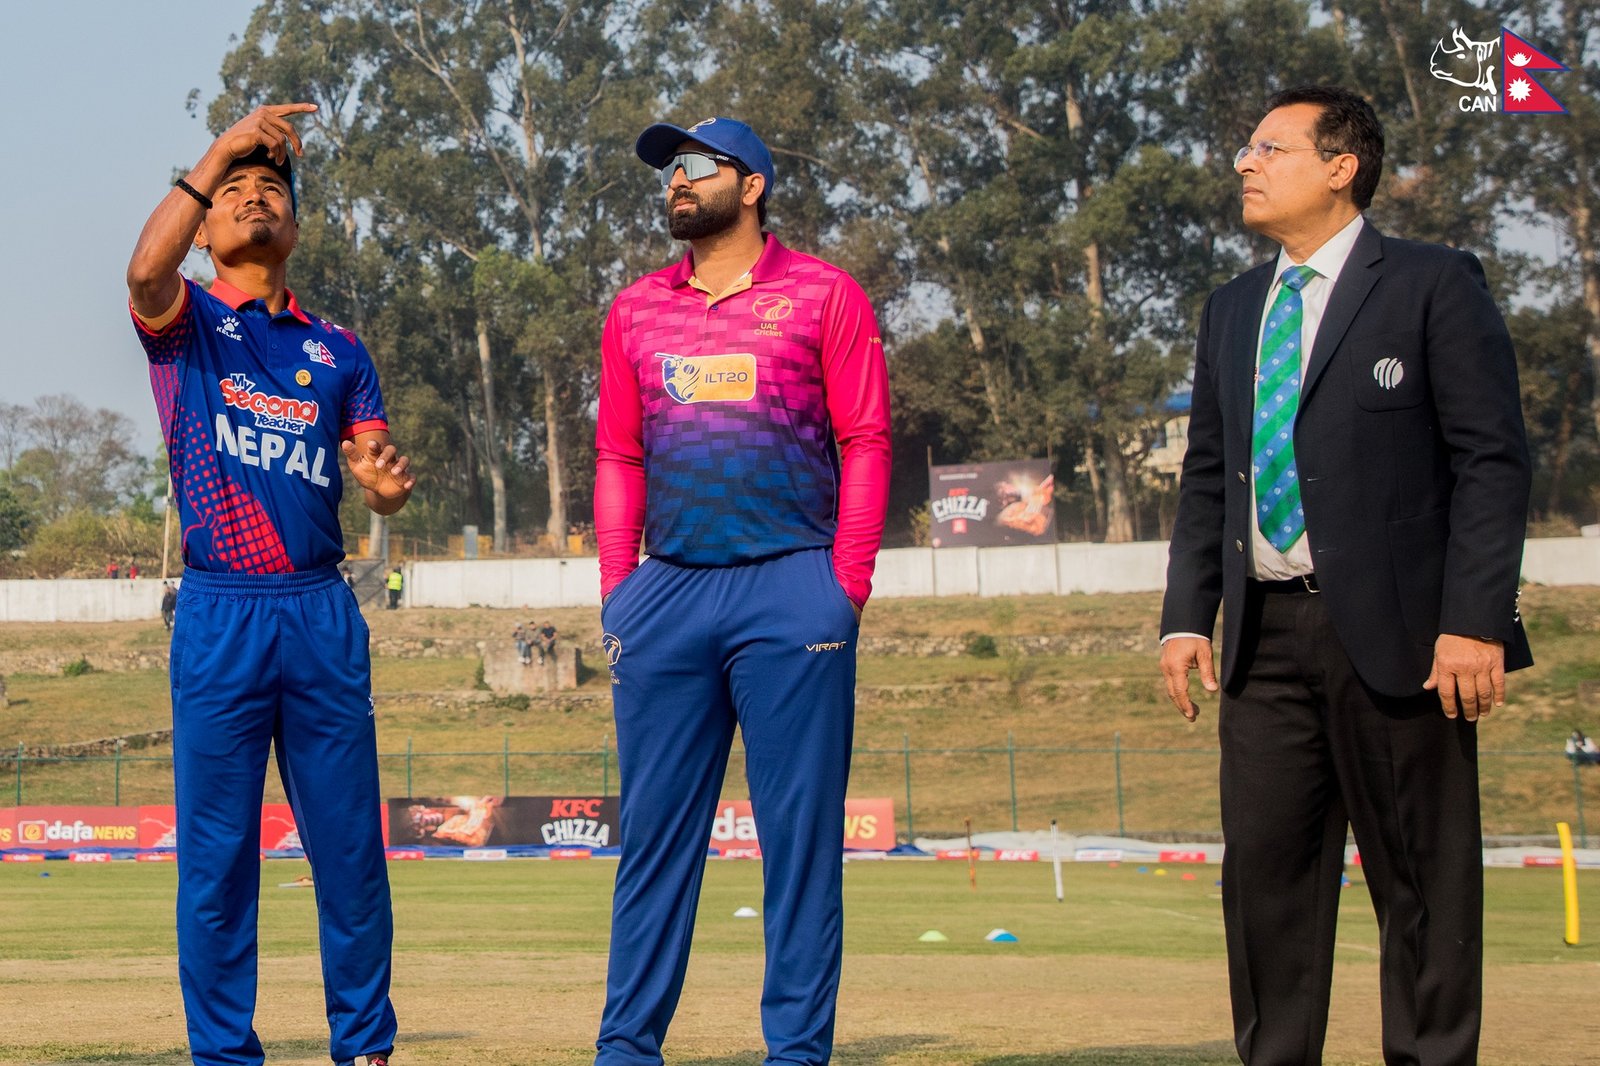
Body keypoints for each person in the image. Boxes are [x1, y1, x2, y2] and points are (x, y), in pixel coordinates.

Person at [1159, 85, 1531, 1065]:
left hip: (1407, 640)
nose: (1244, 162)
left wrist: (1475, 620)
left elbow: (1492, 461)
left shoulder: (1431, 282)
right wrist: (1186, 616)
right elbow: (1209, 475)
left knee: (1422, 889)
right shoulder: (1232, 310)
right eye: (1245, 148)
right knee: (1265, 888)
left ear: (1340, 167)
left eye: (1269, 147)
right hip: (1263, 643)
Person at [593, 115, 891, 1065]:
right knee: (652, 843)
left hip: (793, 588)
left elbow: (866, 441)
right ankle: (625, 1049)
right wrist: (618, 589)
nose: (677, 181)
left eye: (697, 165)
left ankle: (795, 1053)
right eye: (669, 170)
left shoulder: (825, 294)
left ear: (752, 184)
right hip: (667, 597)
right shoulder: (635, 309)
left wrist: (844, 586)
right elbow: (618, 454)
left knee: (798, 844)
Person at [125, 101, 414, 1066]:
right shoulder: (187, 323)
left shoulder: (339, 349)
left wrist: (384, 487)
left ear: (296, 225)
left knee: (350, 852)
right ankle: (222, 1053)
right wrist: (221, 149)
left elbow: (375, 465)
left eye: (272, 188)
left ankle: (365, 1045)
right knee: (217, 859)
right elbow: (143, 273)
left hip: (319, 609)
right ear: (203, 223)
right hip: (221, 611)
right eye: (234, 190)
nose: (255, 196)